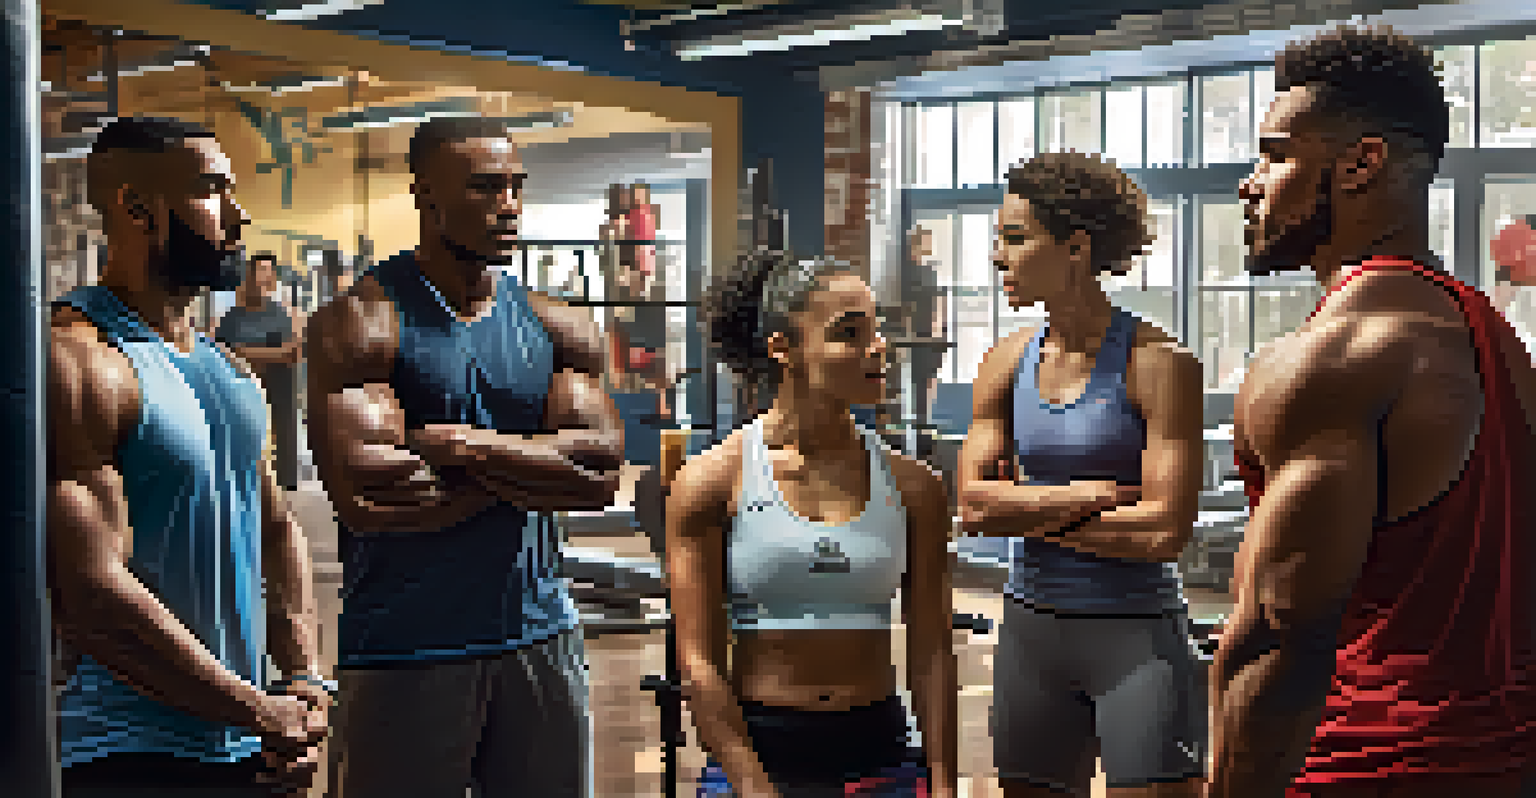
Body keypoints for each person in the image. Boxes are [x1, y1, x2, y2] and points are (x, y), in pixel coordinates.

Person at [1208, 25, 1536, 798]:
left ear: (1361, 163)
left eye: (1275, 155)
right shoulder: (1493, 337)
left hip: (1354, 769)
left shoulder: (1332, 356)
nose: (1251, 184)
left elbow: (1278, 639)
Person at [305, 115, 624, 798]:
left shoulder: (556, 324)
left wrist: (463, 445)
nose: (509, 206)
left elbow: (599, 474)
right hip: (405, 646)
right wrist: (538, 468)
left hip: (541, 636)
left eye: (516, 187)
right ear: (425, 194)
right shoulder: (361, 321)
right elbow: (375, 497)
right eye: (485, 188)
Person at [48, 116, 328, 797]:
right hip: (126, 749)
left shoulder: (228, 369)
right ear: (137, 208)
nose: (238, 215)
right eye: (211, 191)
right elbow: (91, 594)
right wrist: (258, 709)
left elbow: (277, 527)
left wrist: (303, 679)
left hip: (244, 740)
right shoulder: (81, 361)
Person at [958, 150, 1208, 798]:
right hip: (1030, 637)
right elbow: (974, 507)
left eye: (1016, 238)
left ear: (1075, 247)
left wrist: (1026, 511)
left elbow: (1162, 532)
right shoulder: (1005, 362)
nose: (998, 257)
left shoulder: (1160, 364)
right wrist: (1083, 496)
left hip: (1137, 641)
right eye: (998, 239)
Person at [668, 250, 958, 798]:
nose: (878, 348)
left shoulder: (916, 486)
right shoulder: (712, 481)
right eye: (849, 333)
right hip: (760, 758)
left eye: (877, 329)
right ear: (785, 348)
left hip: (879, 754)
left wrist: (943, 784)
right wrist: (753, 787)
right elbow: (699, 663)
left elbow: (932, 651)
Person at [216, 252, 304, 489]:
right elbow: (228, 353)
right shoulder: (232, 318)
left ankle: (286, 477)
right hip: (241, 384)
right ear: (247, 277)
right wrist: (275, 353)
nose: (262, 278)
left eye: (267, 271)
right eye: (257, 272)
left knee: (285, 388)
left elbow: (293, 353)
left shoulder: (283, 315)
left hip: (278, 383)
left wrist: (249, 352)